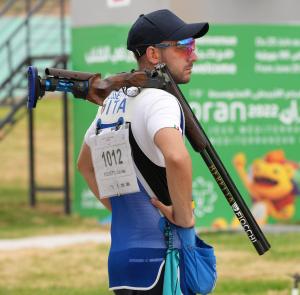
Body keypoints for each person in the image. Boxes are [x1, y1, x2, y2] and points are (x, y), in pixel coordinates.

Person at [77, 9, 209, 295]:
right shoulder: (160, 99)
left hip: (123, 261)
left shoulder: (112, 102)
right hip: (162, 257)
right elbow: (176, 157)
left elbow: (85, 166)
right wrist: (184, 218)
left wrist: (126, 213)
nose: (194, 55)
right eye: (184, 47)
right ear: (153, 54)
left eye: (194, 47)